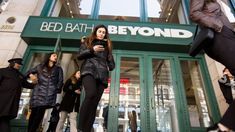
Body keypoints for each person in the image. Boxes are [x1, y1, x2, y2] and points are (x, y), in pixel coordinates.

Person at [190, 0, 235, 131]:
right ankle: (223, 127)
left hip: (225, 36)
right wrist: (218, 25)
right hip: (219, 36)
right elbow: (194, 13)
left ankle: (223, 127)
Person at [77, 24, 115, 132]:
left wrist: (110, 57)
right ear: (95, 32)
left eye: (103, 32)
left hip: (102, 75)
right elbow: (79, 55)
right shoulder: (88, 42)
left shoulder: (107, 46)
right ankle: (80, 127)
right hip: (89, 70)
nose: (101, 34)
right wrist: (92, 50)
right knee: (90, 94)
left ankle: (86, 129)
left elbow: (112, 66)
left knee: (94, 104)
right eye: (100, 31)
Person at [25, 52, 64, 132]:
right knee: (33, 113)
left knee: (39, 113)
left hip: (49, 94)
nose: (56, 57)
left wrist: (55, 89)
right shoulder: (40, 66)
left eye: (56, 56)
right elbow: (27, 72)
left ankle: (32, 130)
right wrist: (31, 75)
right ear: (49, 57)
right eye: (54, 55)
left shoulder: (58, 69)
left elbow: (60, 81)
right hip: (38, 92)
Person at [0, 58, 34, 132]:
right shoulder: (2, 71)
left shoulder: (19, 75)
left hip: (12, 103)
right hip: (2, 100)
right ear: (12, 63)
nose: (19, 66)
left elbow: (27, 84)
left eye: (20, 64)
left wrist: (37, 83)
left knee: (4, 120)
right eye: (17, 64)